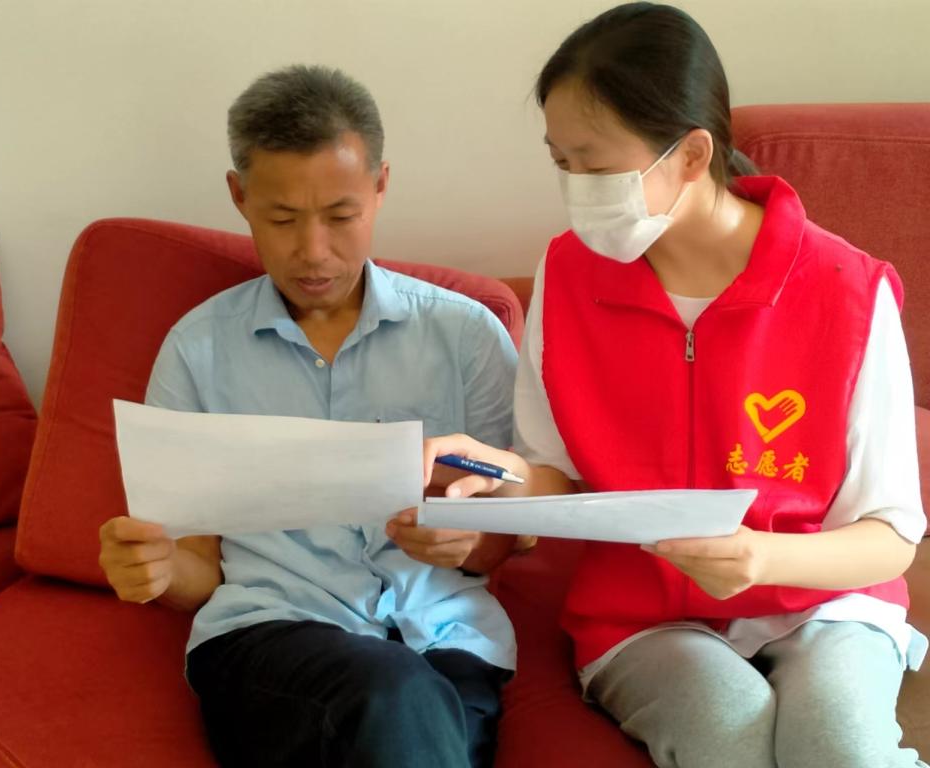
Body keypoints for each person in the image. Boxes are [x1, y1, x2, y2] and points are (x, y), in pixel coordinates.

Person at [423, 4, 927, 767]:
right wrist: (497, 475)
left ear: (692, 154)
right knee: (730, 738)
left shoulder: (848, 289)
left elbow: (889, 540)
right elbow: (557, 480)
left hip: (823, 601)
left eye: (596, 167)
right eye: (562, 163)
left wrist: (761, 558)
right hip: (642, 618)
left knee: (839, 750)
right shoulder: (569, 274)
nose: (576, 189)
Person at [98, 65, 519, 768]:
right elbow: (197, 566)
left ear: (381, 186)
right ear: (239, 196)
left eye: (341, 217)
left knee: (409, 707)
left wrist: (468, 542)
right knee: (394, 697)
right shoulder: (198, 349)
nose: (313, 251)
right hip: (271, 639)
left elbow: (504, 540)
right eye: (283, 219)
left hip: (445, 641)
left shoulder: (468, 335)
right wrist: (160, 568)